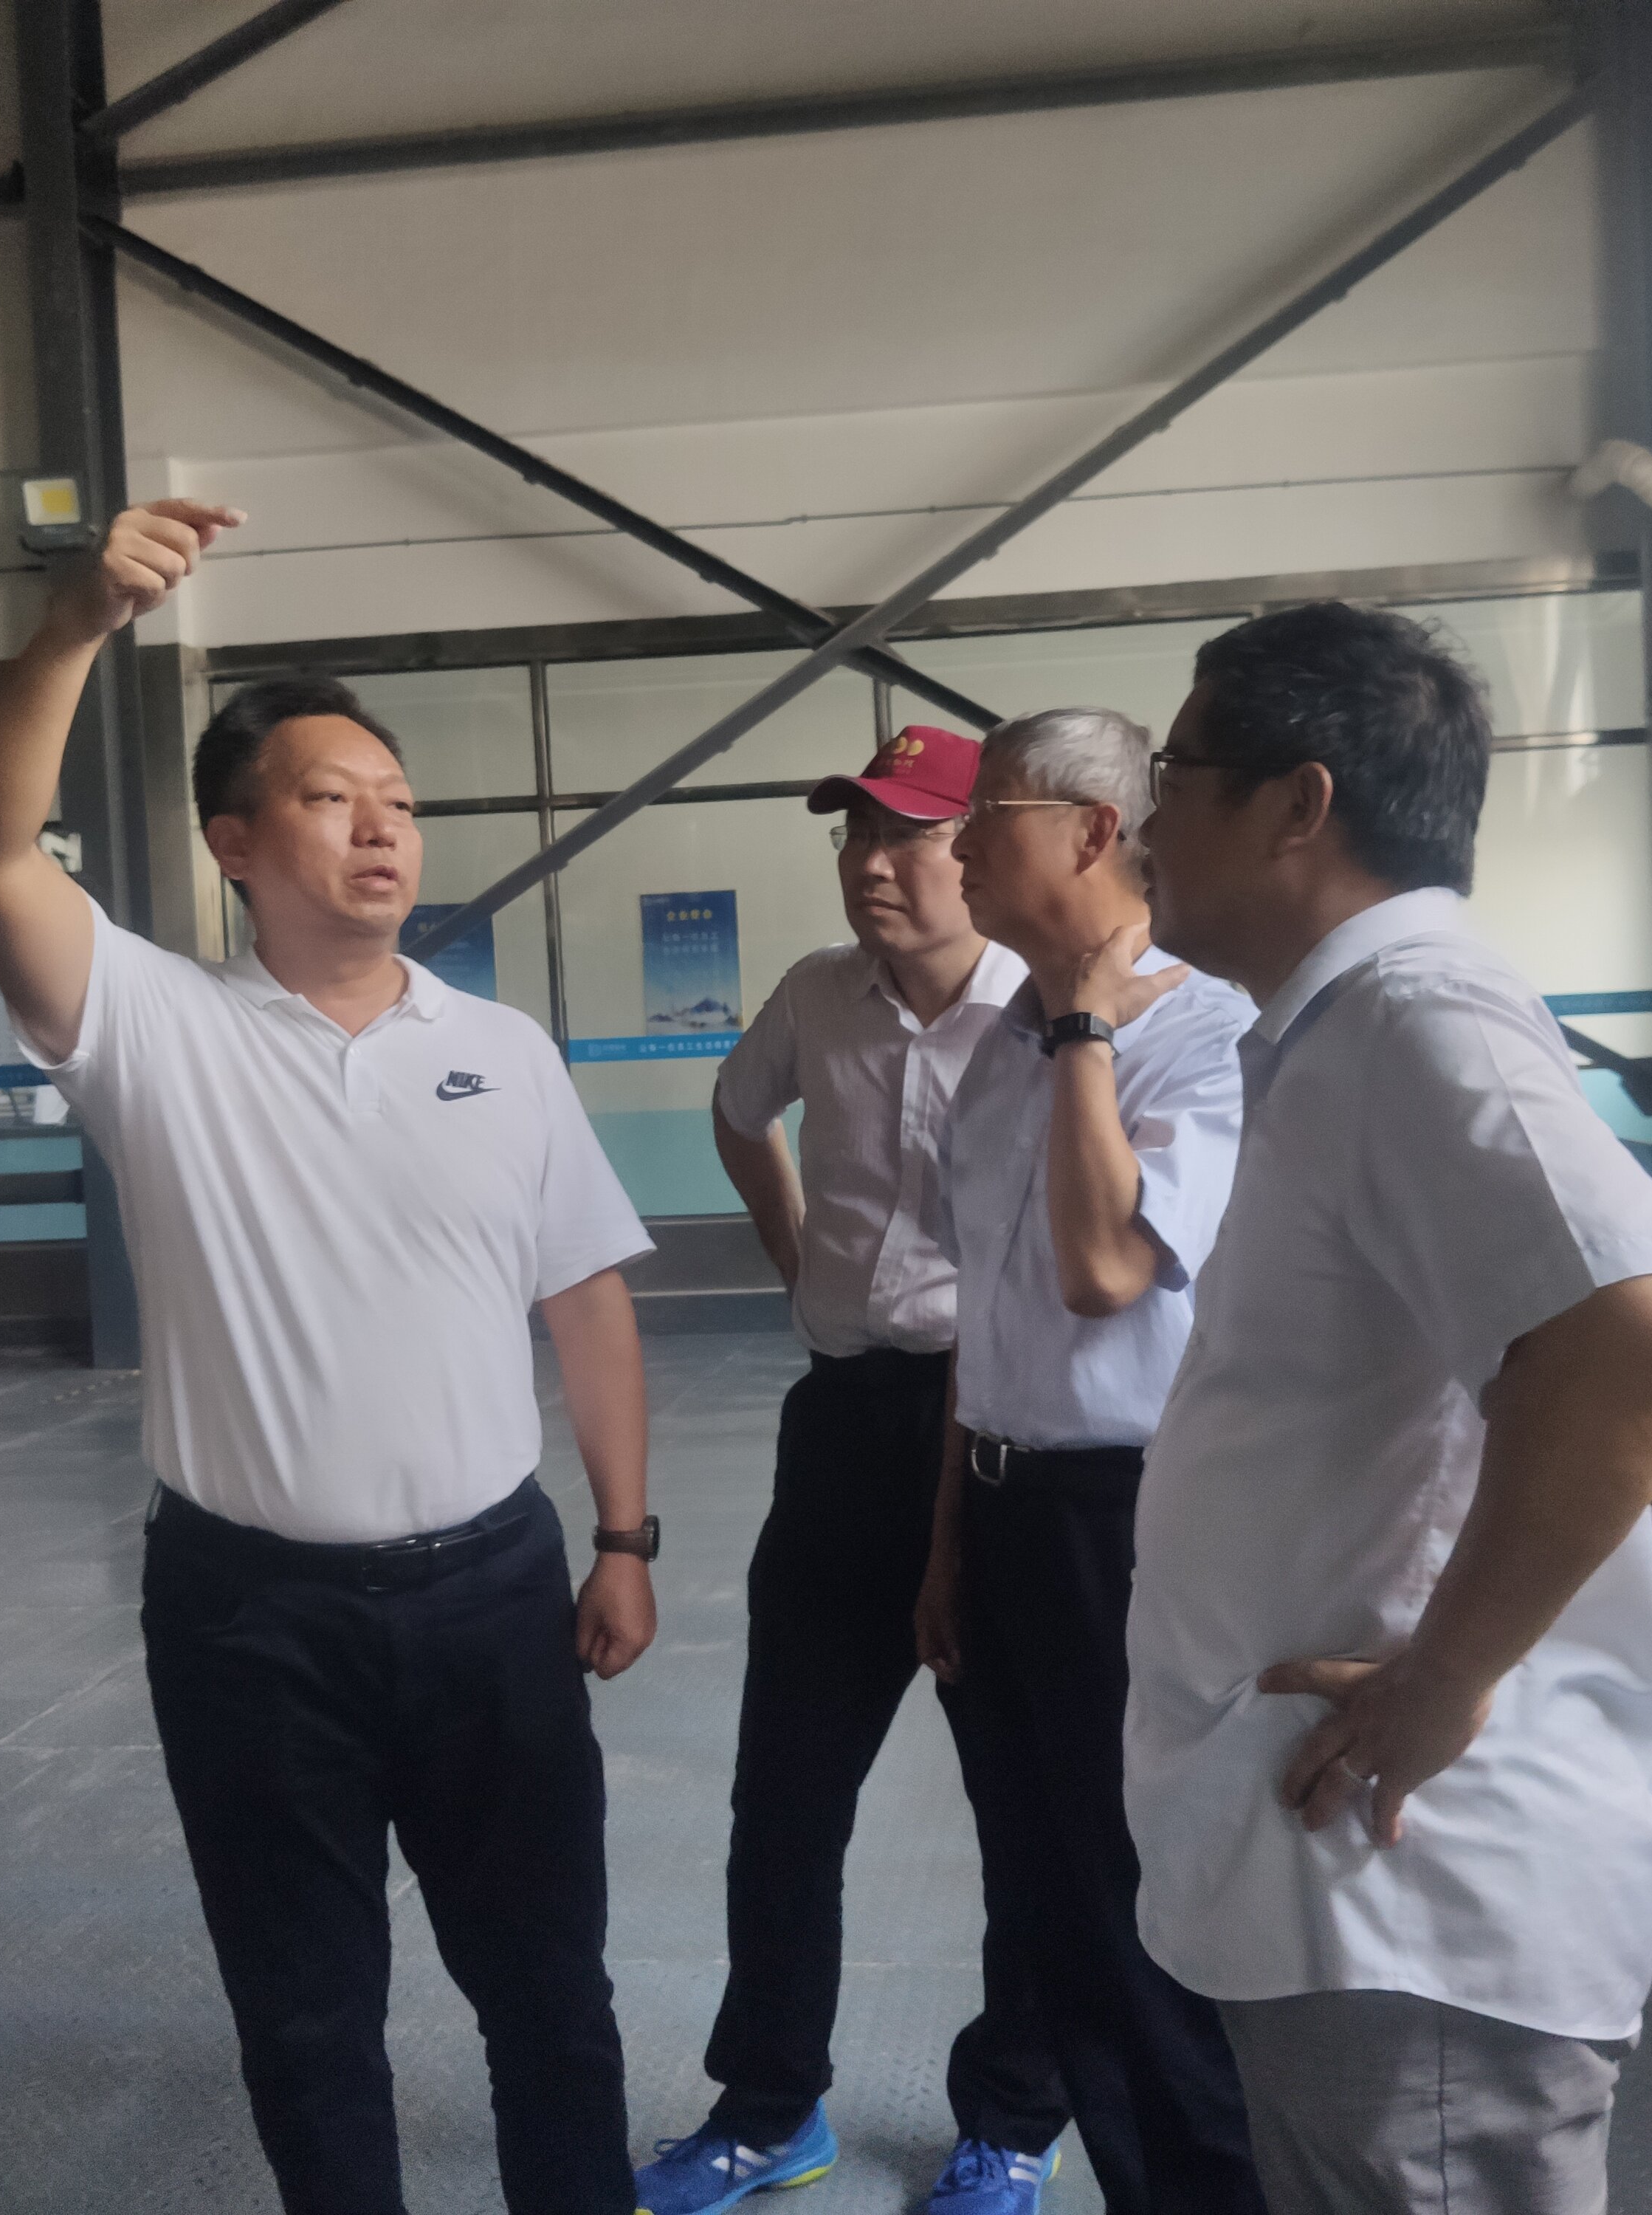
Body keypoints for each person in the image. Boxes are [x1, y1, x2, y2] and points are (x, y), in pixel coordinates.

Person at [0, 498, 661, 2215]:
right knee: (308, 2017)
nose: (382, 827)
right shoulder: (151, 1028)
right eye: (333, 799)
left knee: (550, 1997)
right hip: (250, 1621)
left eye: (398, 800)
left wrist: (623, 1536)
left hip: (493, 1598)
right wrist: (73, 625)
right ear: (234, 842)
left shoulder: (501, 1050)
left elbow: (585, 1297)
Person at [1125, 601, 1652, 2215]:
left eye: (1172, 776)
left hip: (1419, 1899)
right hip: (1359, 1893)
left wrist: (1444, 1681)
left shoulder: (1412, 1017)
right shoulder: (1346, 1029)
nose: (1145, 825)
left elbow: (1643, 1325)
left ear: (1297, 804)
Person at [634, 727, 1073, 2215]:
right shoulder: (817, 996)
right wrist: (799, 1258)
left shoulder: (1044, 1013)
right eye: (854, 835)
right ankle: (771, 2107)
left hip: (997, 1436)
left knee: (1021, 1806)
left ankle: (1013, 2118)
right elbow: (736, 1109)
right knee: (785, 1792)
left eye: (906, 836)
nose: (871, 865)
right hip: (840, 1428)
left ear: (979, 848)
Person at [912, 709, 1265, 2215]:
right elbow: (983, 1326)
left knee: (1144, 1909)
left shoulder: (1211, 1034)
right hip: (1004, 1510)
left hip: (1129, 1524)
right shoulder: (1003, 1045)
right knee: (1045, 1898)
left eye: (987, 813)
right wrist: (947, 1545)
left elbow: (1105, 1268)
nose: (956, 845)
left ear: (1094, 831)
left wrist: (1084, 1033)